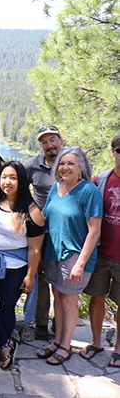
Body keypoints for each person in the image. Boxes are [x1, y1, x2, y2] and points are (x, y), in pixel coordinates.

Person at [0, 161, 45, 370]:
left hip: (14, 267)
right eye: (4, 177)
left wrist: (30, 275)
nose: (7, 182)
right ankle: (5, 345)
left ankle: (0, 348)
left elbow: (34, 249)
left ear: (21, 181)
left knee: (4, 308)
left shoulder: (32, 212)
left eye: (12, 177)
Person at [36, 147, 102, 365]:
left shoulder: (89, 191)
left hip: (75, 255)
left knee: (68, 302)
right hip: (53, 252)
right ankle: (57, 341)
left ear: (81, 166)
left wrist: (80, 263)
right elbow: (46, 216)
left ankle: (65, 346)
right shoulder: (57, 188)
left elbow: (94, 230)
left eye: (70, 163)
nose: (65, 167)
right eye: (62, 163)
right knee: (58, 298)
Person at [80, 133, 120, 367]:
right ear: (112, 151)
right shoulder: (101, 180)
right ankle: (96, 342)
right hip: (102, 253)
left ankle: (118, 348)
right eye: (119, 149)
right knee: (97, 298)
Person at [25, 125, 64, 340]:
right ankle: (41, 322)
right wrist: (33, 210)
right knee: (39, 277)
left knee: (61, 278)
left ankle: (60, 322)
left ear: (60, 140)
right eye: (44, 142)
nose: (49, 145)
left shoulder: (72, 161)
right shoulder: (32, 165)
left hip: (66, 232)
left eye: (52, 140)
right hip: (40, 231)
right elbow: (18, 186)